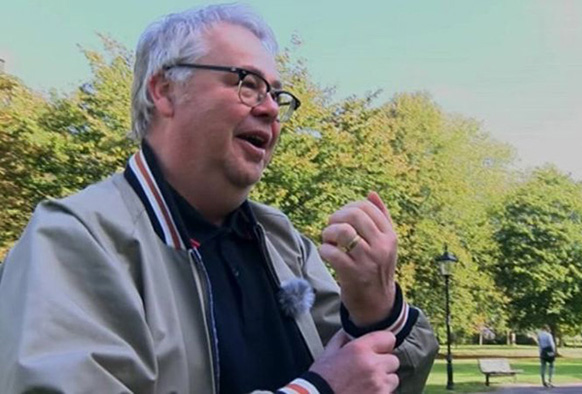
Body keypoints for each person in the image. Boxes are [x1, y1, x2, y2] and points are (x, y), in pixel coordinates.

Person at [0, 4, 438, 393]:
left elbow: (375, 379)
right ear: (165, 90)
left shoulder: (284, 243)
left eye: (276, 95)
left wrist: (376, 307)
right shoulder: (72, 239)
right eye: (247, 83)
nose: (269, 109)